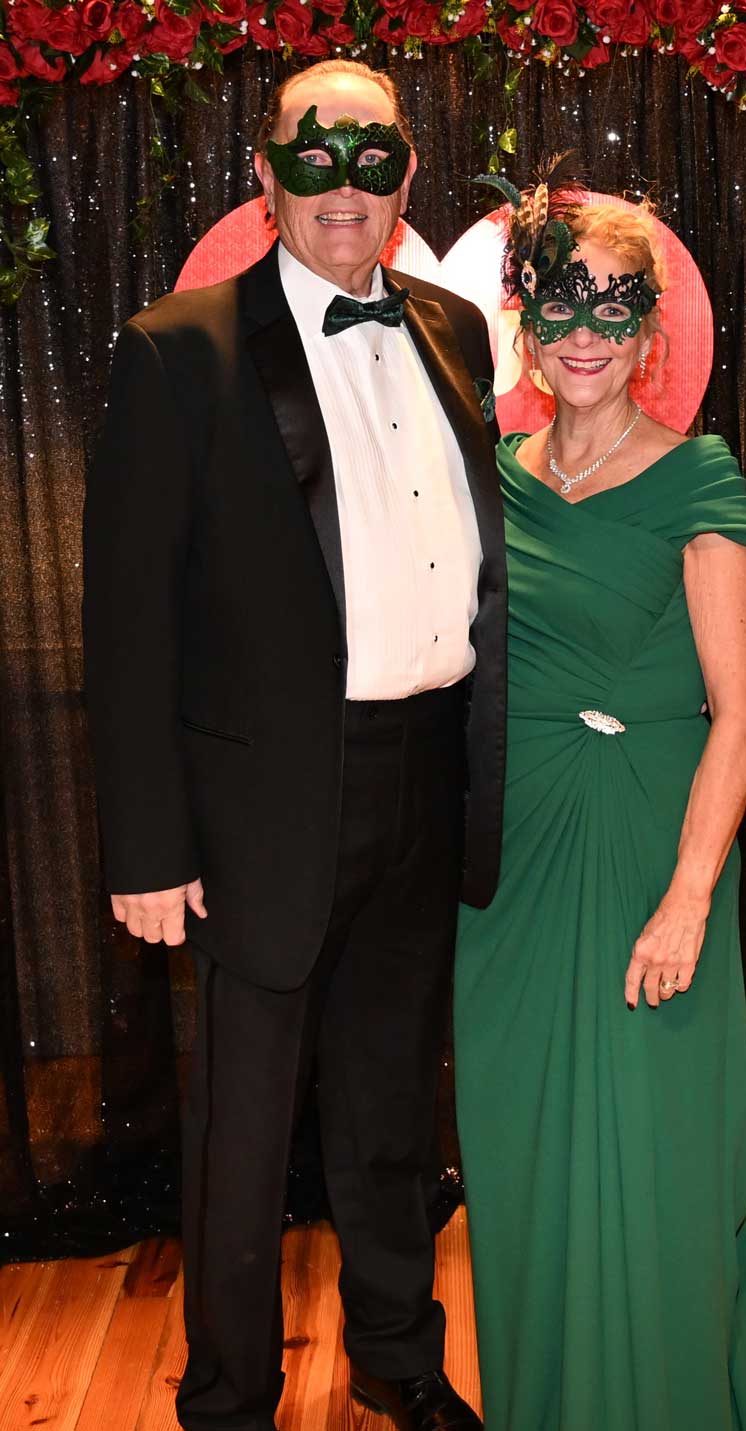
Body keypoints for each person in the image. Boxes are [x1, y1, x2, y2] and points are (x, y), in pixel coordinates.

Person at [82, 59, 507, 1431]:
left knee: (392, 1104)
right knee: (244, 1129)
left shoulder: (453, 327)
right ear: (265, 175)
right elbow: (129, 622)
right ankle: (228, 1398)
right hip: (258, 804)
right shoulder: (179, 349)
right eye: (312, 161)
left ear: (407, 175)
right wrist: (147, 845)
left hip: (427, 768)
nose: (343, 191)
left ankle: (396, 1350)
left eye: (371, 161)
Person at [453, 176, 746, 1431]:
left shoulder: (696, 478)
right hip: (513, 855)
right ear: (524, 322)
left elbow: (744, 711)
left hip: (648, 847)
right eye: (561, 306)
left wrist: (688, 900)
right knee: (523, 1134)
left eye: (614, 311)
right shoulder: (493, 475)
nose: (586, 335)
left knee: (648, 1136)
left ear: (650, 333)